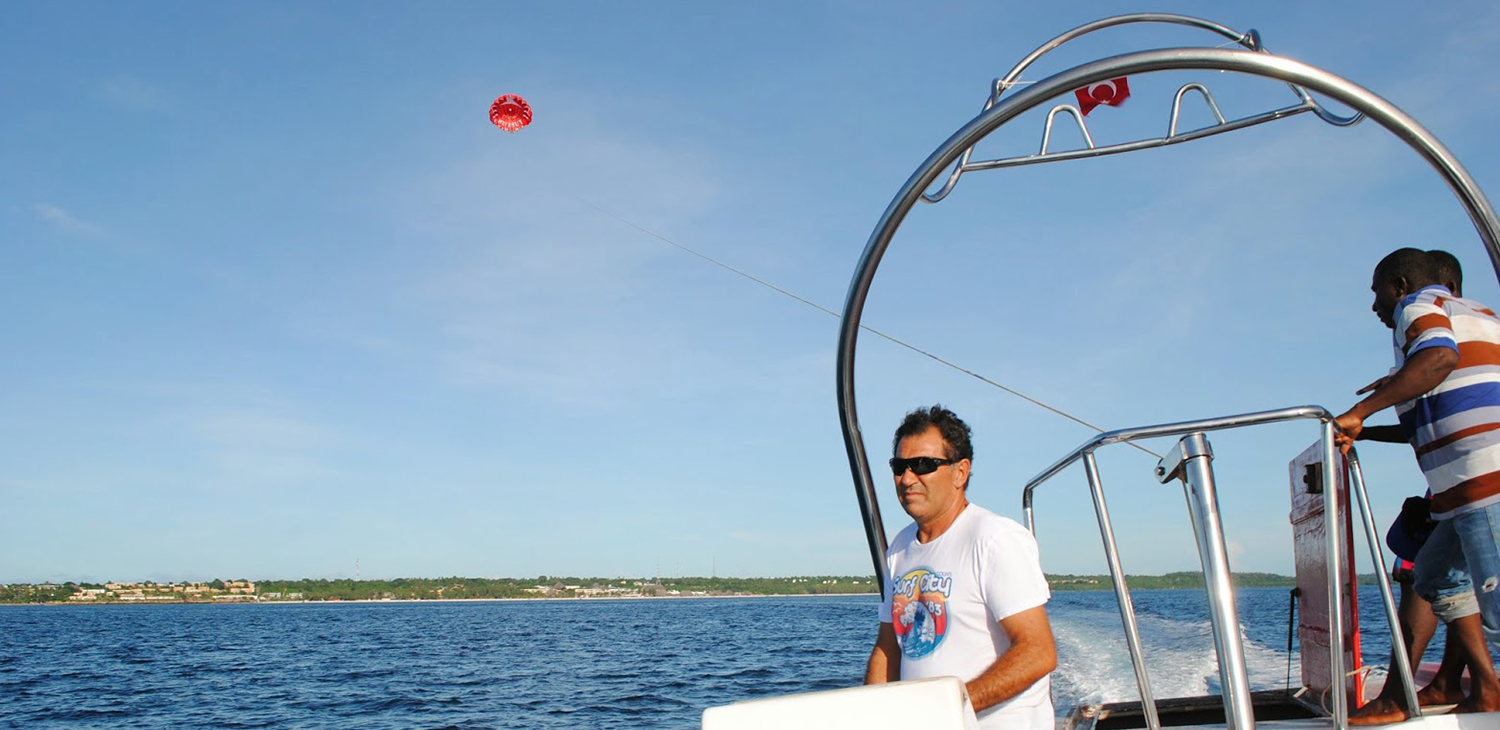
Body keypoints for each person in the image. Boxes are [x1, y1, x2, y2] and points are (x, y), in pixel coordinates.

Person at [1335, 247, 1500, 718]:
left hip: (1484, 482)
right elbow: (1440, 408)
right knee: (1435, 575)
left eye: (1377, 292)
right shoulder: (1478, 314)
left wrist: (1359, 412)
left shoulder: (1418, 305)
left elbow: (1438, 361)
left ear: (1400, 285)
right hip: (1462, 490)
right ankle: (1485, 689)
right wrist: (1367, 427)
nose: (1375, 306)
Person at [864, 405, 1057, 730]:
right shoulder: (898, 548)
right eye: (899, 466)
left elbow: (1038, 652)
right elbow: (888, 649)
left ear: (960, 472)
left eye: (923, 465)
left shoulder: (994, 539)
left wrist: (951, 708)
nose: (907, 478)